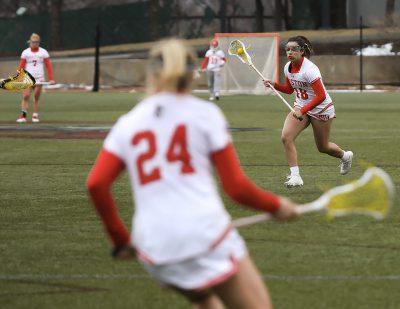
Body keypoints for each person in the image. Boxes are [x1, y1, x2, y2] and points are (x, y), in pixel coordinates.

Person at [87, 38, 298, 309]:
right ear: (192, 74)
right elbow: (236, 188)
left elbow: (96, 184)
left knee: (206, 300)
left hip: (154, 248)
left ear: (152, 73)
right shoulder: (204, 114)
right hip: (206, 236)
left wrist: (120, 241)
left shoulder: (128, 122)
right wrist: (277, 206)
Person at [263, 36, 353, 188]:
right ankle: (295, 176)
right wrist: (274, 85)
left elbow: (321, 95)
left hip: (320, 109)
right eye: (287, 50)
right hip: (301, 107)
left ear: (302, 51)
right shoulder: (288, 67)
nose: (290, 52)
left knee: (323, 147)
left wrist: (303, 110)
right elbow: (290, 89)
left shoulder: (310, 70)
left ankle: (345, 156)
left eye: (294, 49)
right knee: (286, 137)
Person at [16, 33, 55, 123]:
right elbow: (21, 66)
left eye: (37, 42)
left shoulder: (43, 52)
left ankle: (35, 115)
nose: (35, 44)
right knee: (26, 96)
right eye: (33, 42)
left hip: (39, 78)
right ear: (30, 42)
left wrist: (51, 78)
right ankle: (23, 116)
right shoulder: (25, 52)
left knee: (36, 97)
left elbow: (48, 66)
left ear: (39, 42)